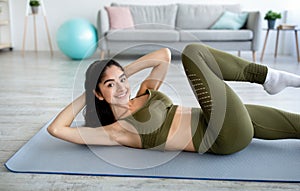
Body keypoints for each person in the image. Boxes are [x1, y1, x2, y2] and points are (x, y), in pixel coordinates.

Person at [48, 43, 300, 155]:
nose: (121, 88)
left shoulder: (144, 91)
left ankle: (271, 78)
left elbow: (164, 55)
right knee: (193, 53)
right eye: (110, 85)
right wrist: (89, 92)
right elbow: (56, 128)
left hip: (217, 118)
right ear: (99, 93)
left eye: (122, 80)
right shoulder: (116, 131)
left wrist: (122, 74)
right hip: (221, 136)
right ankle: (266, 77)